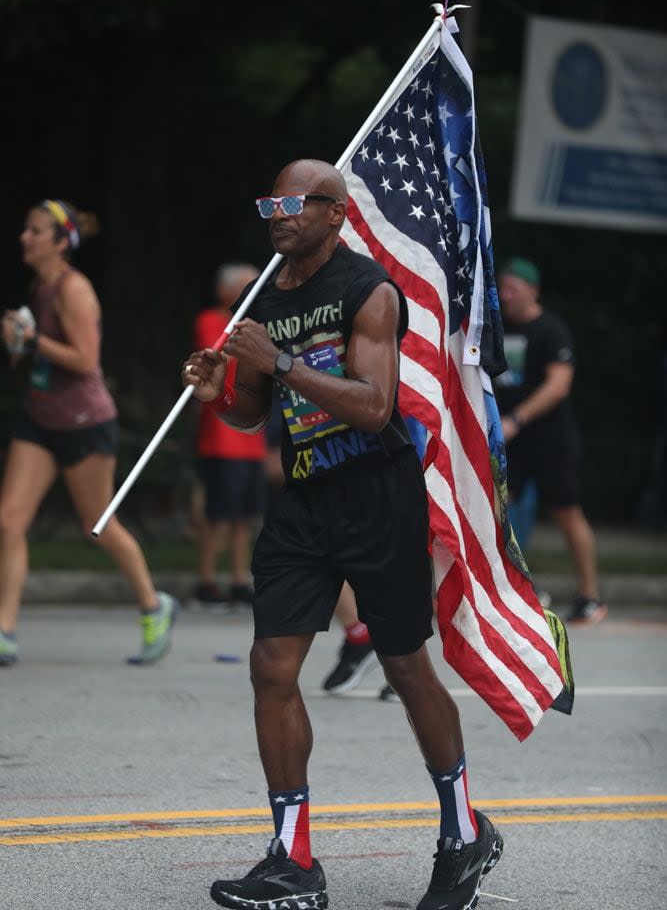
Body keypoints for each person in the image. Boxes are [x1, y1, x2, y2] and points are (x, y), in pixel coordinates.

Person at [182, 159, 503, 910]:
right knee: (270, 666)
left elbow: (372, 404)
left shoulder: (369, 291)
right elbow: (250, 412)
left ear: (335, 214)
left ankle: (463, 831)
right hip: (302, 508)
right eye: (271, 202)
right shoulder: (264, 294)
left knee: (405, 667)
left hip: (376, 502)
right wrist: (217, 390)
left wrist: (281, 360)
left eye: (296, 203)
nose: (279, 215)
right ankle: (292, 861)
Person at [0, 199, 177, 667]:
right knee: (8, 520)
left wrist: (33, 339)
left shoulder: (74, 289)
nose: (25, 237)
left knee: (98, 525)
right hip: (40, 418)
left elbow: (84, 360)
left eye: (35, 231)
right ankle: (5, 631)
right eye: (26, 230)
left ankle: (154, 607)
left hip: (84, 422)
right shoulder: (41, 285)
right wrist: (19, 343)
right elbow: (41, 356)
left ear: (60, 242)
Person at [494, 256, 606, 625]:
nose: (507, 295)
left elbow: (559, 385)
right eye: (503, 288)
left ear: (533, 291)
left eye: (514, 288)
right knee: (496, 512)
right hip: (508, 439)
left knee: (566, 513)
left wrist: (517, 418)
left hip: (549, 439)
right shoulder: (495, 327)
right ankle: (511, 589)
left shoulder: (550, 330)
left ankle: (590, 597)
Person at [321, 414, 429, 702]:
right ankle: (360, 636)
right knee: (323, 546)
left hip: (395, 444)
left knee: (394, 560)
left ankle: (407, 661)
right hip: (338, 445)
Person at [190, 262, 267, 607]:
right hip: (221, 439)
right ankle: (206, 579)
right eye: (244, 286)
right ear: (225, 292)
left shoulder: (256, 326)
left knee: (244, 516)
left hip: (251, 439)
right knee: (218, 513)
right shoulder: (210, 320)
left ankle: (239, 579)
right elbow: (218, 358)